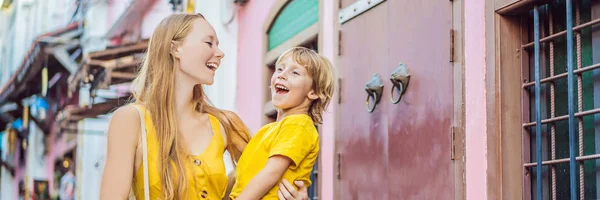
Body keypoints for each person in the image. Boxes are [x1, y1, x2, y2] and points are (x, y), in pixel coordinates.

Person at [99, 13, 308, 200]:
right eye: (209, 43)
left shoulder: (225, 124)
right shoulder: (131, 120)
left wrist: (297, 196)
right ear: (175, 48)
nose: (220, 53)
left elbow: (270, 177)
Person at [229, 47, 335, 200]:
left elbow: (272, 173)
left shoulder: (299, 124)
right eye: (279, 69)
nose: (282, 75)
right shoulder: (269, 130)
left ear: (313, 92)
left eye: (295, 72)